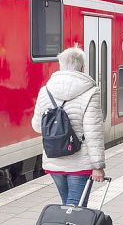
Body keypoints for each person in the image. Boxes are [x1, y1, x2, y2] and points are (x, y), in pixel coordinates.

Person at [31, 47, 105, 205]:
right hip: (79, 162)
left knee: (68, 205)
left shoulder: (46, 91)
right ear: (82, 67)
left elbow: (37, 126)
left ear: (60, 65)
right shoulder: (91, 91)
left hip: (54, 160)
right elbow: (93, 132)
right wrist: (98, 166)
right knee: (75, 208)